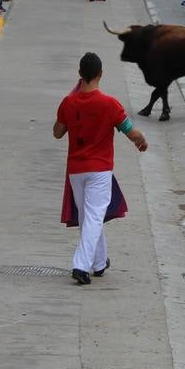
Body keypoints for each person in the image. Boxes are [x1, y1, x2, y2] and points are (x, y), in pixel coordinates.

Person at [53, 52, 147, 285]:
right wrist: (141, 140)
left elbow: (57, 132)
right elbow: (130, 131)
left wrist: (70, 100)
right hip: (100, 169)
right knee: (94, 217)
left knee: (89, 217)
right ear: (100, 74)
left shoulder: (69, 102)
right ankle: (81, 265)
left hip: (76, 170)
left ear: (79, 74)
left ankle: (99, 262)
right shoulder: (110, 104)